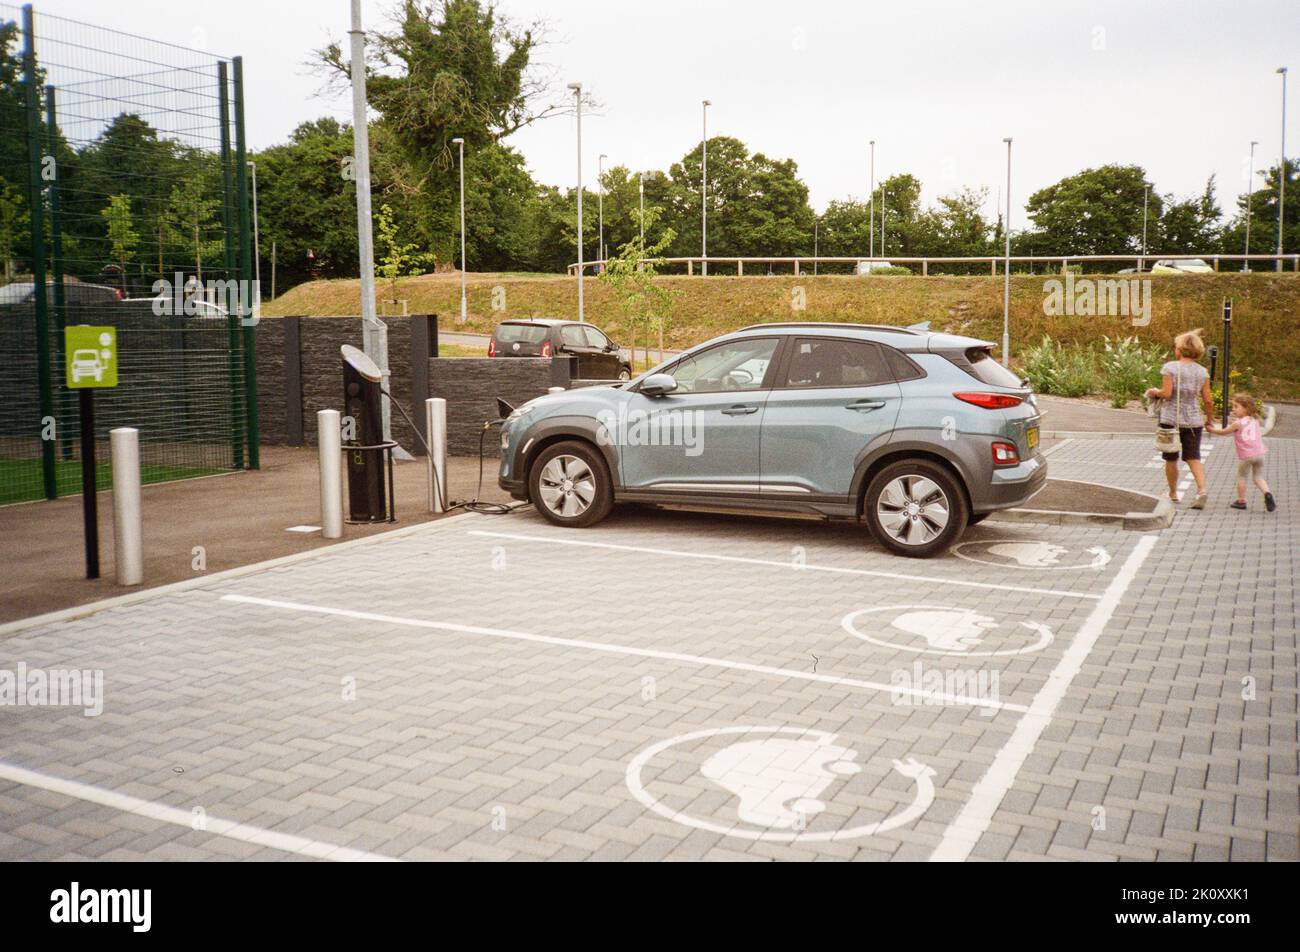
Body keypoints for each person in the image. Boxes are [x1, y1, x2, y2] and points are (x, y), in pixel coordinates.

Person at [1145, 328, 1214, 509]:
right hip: (1193, 421)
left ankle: (1173, 493)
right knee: (1193, 456)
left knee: (1171, 457)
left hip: (1170, 420)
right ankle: (1202, 490)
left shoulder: (1170, 368)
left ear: (1179, 349)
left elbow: (1167, 394)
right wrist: (1209, 419)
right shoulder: (1202, 372)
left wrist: (1154, 392)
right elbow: (1207, 399)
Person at [1206, 393, 1276, 512]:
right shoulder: (1255, 420)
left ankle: (1241, 501)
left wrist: (1211, 429)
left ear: (1246, 408)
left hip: (1246, 455)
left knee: (1242, 476)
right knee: (1258, 477)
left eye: (1236, 406)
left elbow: (1224, 432)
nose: (1233, 409)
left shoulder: (1238, 423)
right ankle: (1267, 493)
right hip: (1260, 453)